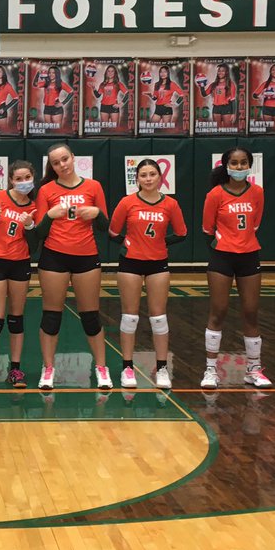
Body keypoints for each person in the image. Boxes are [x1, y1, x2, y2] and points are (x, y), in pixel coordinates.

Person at [34, 143, 110, 390]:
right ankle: (48, 369)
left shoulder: (93, 186)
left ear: (73, 157)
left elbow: (105, 226)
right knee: (51, 316)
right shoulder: (46, 190)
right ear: (52, 166)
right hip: (54, 257)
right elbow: (38, 232)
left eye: (65, 159)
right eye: (56, 163)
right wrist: (50, 216)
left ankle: (101, 368)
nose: (62, 165)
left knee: (90, 317)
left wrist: (96, 212)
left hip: (86, 256)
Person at [108, 159, 187, 390]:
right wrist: (129, 243)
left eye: (152, 174)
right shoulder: (127, 202)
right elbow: (113, 231)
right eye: (143, 175)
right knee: (129, 317)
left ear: (160, 177)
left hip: (158, 263)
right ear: (137, 179)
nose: (148, 178)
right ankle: (127, 368)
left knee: (159, 318)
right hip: (130, 263)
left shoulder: (170, 204)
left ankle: (161, 368)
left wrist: (160, 242)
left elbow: (181, 233)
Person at [201, 147, 268, 389]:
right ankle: (210, 369)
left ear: (249, 165)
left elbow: (256, 223)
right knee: (218, 312)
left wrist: (242, 242)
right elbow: (207, 229)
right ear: (226, 166)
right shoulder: (215, 194)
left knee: (251, 312)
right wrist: (224, 245)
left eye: (243, 163)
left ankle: (253, 369)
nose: (239, 167)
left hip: (249, 256)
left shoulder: (257, 192)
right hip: (222, 258)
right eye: (235, 163)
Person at [0, 160, 39, 389]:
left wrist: (30, 226)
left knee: (16, 318)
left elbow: (34, 247)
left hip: (20, 263)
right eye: (18, 178)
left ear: (33, 178)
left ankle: (15, 369)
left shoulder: (34, 206)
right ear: (11, 180)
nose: (23, 182)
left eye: (27, 178)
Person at [204, 63, 239, 128]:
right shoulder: (213, 84)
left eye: (223, 71)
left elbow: (233, 100)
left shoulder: (231, 84)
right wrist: (201, 86)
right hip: (216, 108)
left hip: (227, 108)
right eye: (219, 71)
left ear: (226, 72)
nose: (220, 72)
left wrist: (233, 113)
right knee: (217, 128)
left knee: (228, 128)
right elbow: (204, 94)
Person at [93, 64, 127, 128]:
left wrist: (121, 104)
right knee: (105, 128)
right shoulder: (102, 84)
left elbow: (127, 94)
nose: (110, 73)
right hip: (104, 107)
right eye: (108, 71)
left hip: (113, 107)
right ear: (106, 73)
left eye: (112, 71)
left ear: (115, 73)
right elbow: (97, 95)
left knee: (115, 128)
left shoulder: (118, 84)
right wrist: (94, 89)